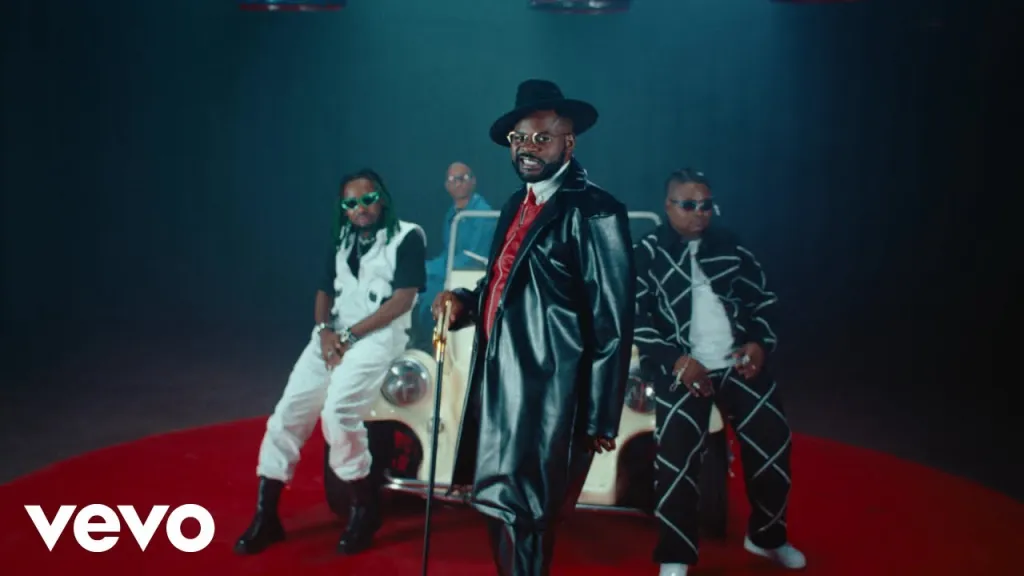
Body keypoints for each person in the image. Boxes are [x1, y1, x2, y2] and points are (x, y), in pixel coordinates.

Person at [431, 79, 636, 576]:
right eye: (519, 138)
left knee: (527, 515)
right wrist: (462, 303)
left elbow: (612, 320)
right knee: (498, 506)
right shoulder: (513, 206)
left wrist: (599, 417)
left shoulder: (596, 211)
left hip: (550, 394)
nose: (527, 148)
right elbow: (499, 286)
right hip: (498, 385)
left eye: (542, 138)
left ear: (570, 142)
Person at [234, 169, 426, 556]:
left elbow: (402, 300)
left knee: (338, 415)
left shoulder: (408, 236)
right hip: (334, 336)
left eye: (367, 199)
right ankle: (267, 516)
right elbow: (324, 290)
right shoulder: (341, 239)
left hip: (377, 338)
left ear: (382, 198)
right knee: (287, 414)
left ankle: (365, 508)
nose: (360, 208)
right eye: (351, 203)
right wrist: (324, 331)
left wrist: (349, 336)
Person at [633, 169, 806, 575]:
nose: (699, 213)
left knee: (773, 444)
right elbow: (630, 316)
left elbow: (764, 300)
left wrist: (759, 343)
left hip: (737, 364)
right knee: (676, 458)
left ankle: (766, 538)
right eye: (688, 205)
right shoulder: (646, 253)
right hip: (682, 368)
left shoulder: (730, 246)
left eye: (706, 205)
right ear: (668, 206)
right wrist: (677, 361)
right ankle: (675, 554)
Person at [416, 162, 495, 338]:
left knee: (432, 288)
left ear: (473, 181)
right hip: (450, 268)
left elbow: (474, 257)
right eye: (453, 179)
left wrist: (433, 268)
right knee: (419, 283)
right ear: (446, 185)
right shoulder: (451, 214)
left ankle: (431, 336)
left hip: (470, 274)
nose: (458, 183)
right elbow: (449, 250)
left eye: (463, 178)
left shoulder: (483, 214)